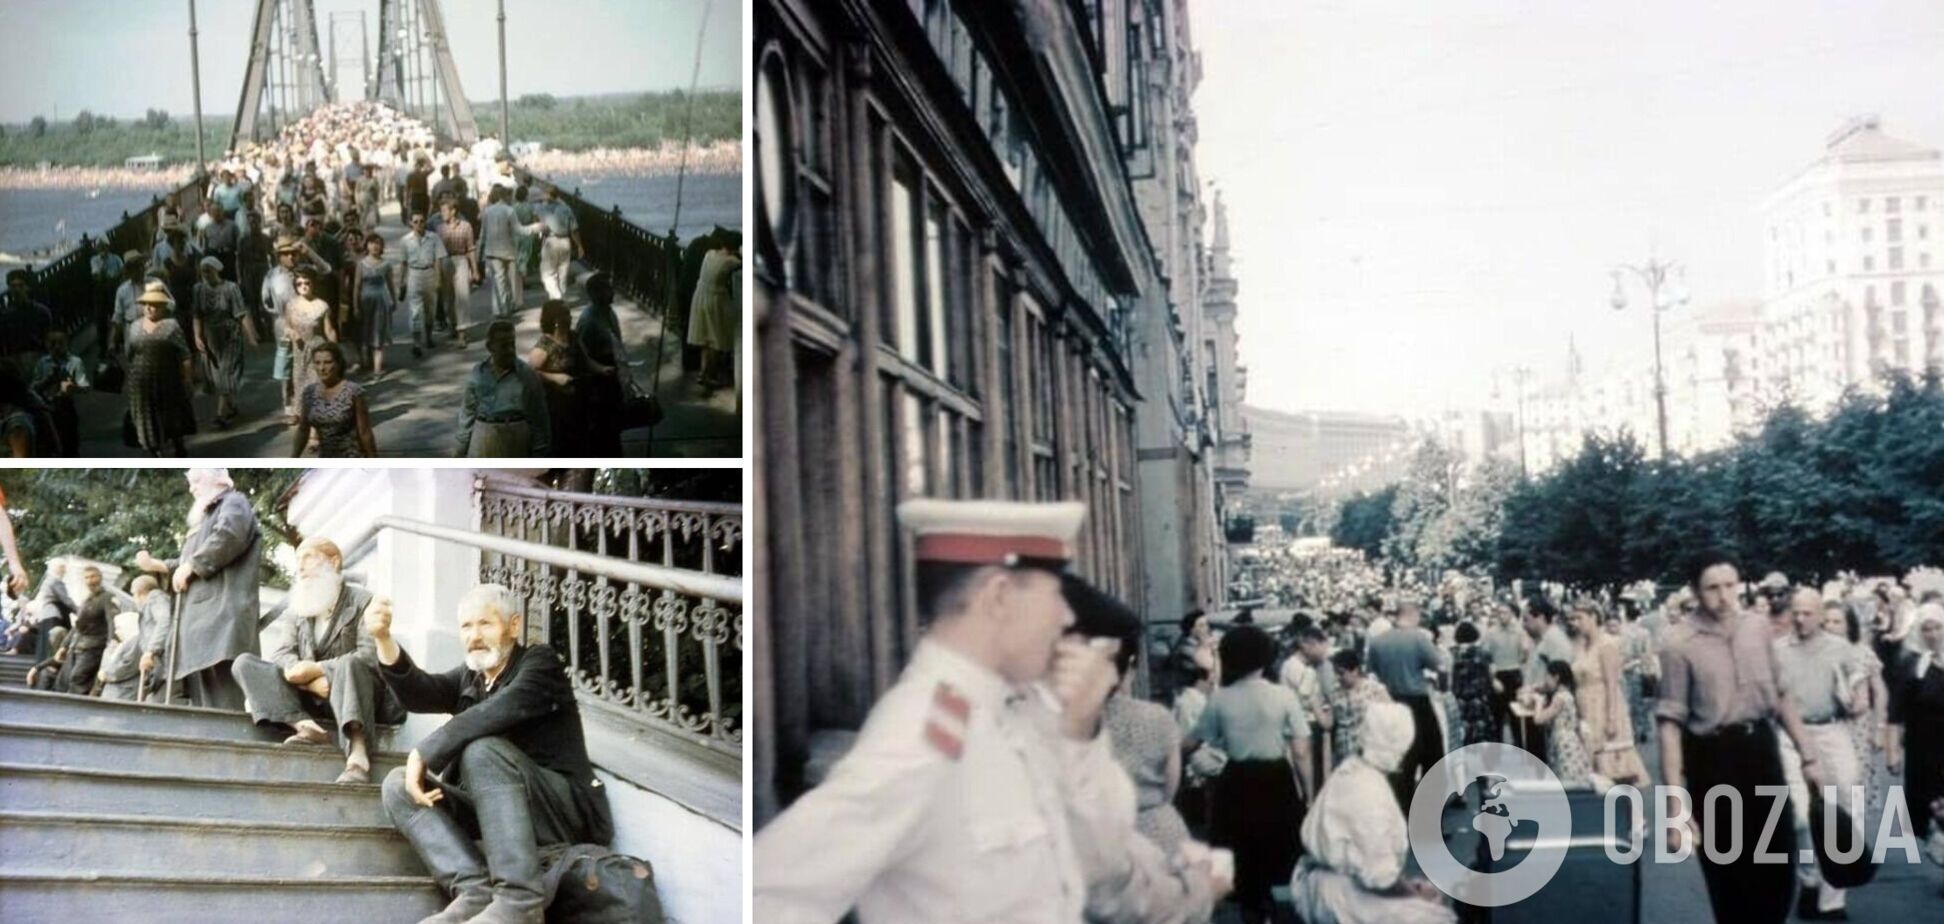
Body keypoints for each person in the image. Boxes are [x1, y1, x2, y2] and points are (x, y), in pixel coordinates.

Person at [755, 499, 1225, 923]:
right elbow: (771, 894)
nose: (1064, 618)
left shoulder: (1012, 711)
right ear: (998, 597)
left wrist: (1079, 735)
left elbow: (1097, 865)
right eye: (1052, 595)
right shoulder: (925, 733)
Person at [371, 584, 613, 923]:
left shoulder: (540, 664)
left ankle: (519, 901)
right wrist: (384, 639)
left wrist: (424, 752)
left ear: (513, 626)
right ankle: (475, 890)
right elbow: (421, 693)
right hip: (497, 811)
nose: (474, 636)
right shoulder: (472, 677)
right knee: (397, 784)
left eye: (485, 624)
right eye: (466, 627)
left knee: (483, 750)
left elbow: (500, 710)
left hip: (559, 811)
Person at [1656, 553, 1828, 924]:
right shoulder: (1678, 642)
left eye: (1730, 585)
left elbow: (1782, 695)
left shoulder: (1757, 627)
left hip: (1761, 753)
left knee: (1779, 869)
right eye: (1712, 588)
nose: (1723, 596)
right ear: (1695, 591)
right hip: (1713, 760)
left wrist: (1808, 755)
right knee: (1731, 878)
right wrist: (1676, 808)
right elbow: (1669, 725)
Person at [232, 538, 401, 783]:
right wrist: (309, 681)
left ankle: (358, 754)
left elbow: (369, 657)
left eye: (308, 557)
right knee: (244, 664)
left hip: (357, 694)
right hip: (311, 697)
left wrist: (319, 669)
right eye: (298, 560)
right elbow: (281, 654)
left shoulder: (363, 601)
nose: (300, 567)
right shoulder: (297, 609)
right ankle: (305, 725)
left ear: (333, 562)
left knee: (349, 664)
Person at [1288, 701, 1456, 924]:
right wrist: (1414, 892)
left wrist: (1407, 885)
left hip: (1325, 882)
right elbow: (1381, 878)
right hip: (1341, 893)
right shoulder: (1370, 793)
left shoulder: (1352, 770)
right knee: (1439, 916)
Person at [1189, 624, 1310, 924]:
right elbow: (1301, 751)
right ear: (1265, 657)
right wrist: (1308, 791)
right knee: (1276, 843)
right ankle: (1277, 906)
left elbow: (1193, 740)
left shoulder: (1220, 698)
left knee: (1242, 848)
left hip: (1237, 781)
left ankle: (1252, 908)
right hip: (1275, 779)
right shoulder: (1282, 696)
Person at [1078, 575, 1193, 857]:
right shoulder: (1156, 718)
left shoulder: (1050, 724)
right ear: (1130, 664)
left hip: (1088, 843)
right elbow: (1170, 788)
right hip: (1154, 836)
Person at [1773, 587, 1868, 919]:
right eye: (1795, 612)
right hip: (1789, 734)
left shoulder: (1838, 648)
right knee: (1800, 814)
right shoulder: (1778, 650)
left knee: (1844, 806)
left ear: (1819, 614)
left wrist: (1859, 697)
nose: (1800, 619)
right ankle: (1809, 878)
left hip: (1831, 729)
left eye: (1807, 613)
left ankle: (1833, 898)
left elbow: (1858, 682)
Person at [133, 469, 262, 710]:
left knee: (222, 699)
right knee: (205, 699)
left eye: (196, 481)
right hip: (202, 623)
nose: (192, 489)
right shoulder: (206, 518)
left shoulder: (234, 502)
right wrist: (156, 565)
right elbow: (185, 564)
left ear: (219, 479)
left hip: (220, 617)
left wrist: (193, 565)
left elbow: (229, 535)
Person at [1364, 602, 1445, 810]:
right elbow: (1439, 665)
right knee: (1432, 757)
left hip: (1390, 702)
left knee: (1402, 759)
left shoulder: (1378, 641)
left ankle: (1402, 811)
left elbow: (1371, 670)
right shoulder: (1419, 638)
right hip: (1417, 702)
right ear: (1413, 615)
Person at [1565, 600, 1648, 784]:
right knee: (1592, 764)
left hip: (1604, 705)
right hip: (1586, 708)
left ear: (1594, 617)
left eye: (1580, 618)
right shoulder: (1580, 645)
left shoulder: (1606, 645)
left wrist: (1611, 718)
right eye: (1573, 619)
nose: (1576, 623)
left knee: (1613, 764)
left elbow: (1612, 683)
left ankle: (1630, 811)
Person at [1887, 606, 1944, 862]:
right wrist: (1892, 750)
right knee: (1926, 805)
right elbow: (1896, 712)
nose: (1932, 634)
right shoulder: (1913, 666)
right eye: (1926, 629)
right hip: (1924, 748)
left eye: (1937, 627)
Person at [456, 320, 552, 457]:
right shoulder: (478, 374)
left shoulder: (527, 376)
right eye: (503, 346)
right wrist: (460, 450)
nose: (510, 351)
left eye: (512, 344)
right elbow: (467, 413)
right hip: (483, 437)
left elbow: (539, 418)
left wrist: (540, 454)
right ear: (490, 347)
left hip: (515, 438)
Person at [123, 281, 195, 457]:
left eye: (154, 305)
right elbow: (129, 354)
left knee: (171, 415)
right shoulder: (134, 327)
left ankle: (178, 447)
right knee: (145, 417)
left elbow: (185, 355)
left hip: (167, 379)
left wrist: (187, 380)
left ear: (163, 306)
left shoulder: (171, 326)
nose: (149, 308)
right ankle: (153, 451)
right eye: (146, 304)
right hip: (140, 382)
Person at [192, 255, 260, 429]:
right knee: (217, 376)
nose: (206, 274)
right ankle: (230, 406)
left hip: (229, 336)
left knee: (225, 372)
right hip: (210, 338)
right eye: (203, 271)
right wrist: (197, 336)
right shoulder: (198, 289)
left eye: (209, 270)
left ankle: (221, 413)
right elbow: (197, 314)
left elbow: (241, 313)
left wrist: (251, 337)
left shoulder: (231, 288)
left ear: (217, 270)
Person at [293, 341, 376, 457]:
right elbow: (303, 429)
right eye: (317, 363)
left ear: (338, 364)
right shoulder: (309, 393)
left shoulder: (353, 392)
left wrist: (374, 459)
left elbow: (365, 431)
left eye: (327, 362)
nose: (322, 368)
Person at [1519, 598, 1572, 756]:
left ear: (1541, 618)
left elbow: (1559, 679)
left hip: (1546, 709)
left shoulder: (1554, 640)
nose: (1524, 625)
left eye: (1527, 620)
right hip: (1537, 706)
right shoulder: (1540, 640)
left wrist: (1533, 689)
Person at [686, 237, 741, 391]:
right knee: (718, 339)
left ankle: (703, 373)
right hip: (716, 300)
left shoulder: (709, 254)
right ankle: (709, 374)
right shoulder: (730, 261)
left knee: (706, 338)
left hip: (700, 296)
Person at [282, 270, 337, 424]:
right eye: (299, 283)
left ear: (313, 284)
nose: (303, 286)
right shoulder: (291, 305)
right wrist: (292, 333)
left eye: (307, 283)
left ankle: (315, 423)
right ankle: (299, 413)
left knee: (316, 383)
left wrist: (334, 349)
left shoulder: (321, 305)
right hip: (299, 350)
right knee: (299, 382)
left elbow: (329, 330)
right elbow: (286, 326)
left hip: (317, 349)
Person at [1328, 648, 1392, 771]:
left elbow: (1391, 717)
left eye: (1341, 673)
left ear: (1355, 670)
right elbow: (1329, 723)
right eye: (1335, 673)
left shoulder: (1375, 689)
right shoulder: (1335, 693)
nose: (1338, 677)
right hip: (1343, 754)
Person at [57, 565, 115, 695]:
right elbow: (77, 626)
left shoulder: (107, 597)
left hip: (94, 647)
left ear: (100, 577)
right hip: (77, 646)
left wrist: (111, 644)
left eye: (93, 576)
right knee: (65, 681)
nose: (90, 581)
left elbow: (112, 621)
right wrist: (64, 646)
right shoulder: (86, 600)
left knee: (78, 680)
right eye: (87, 578)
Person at [30, 329, 87, 456]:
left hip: (65, 407)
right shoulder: (42, 363)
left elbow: (85, 387)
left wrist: (72, 386)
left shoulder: (75, 362)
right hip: (47, 408)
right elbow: (33, 388)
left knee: (70, 445)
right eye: (52, 343)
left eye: (60, 343)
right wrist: (47, 380)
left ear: (67, 343)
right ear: (46, 344)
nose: (56, 347)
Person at [398, 212, 447, 356]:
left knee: (430, 310)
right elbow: (403, 263)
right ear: (411, 223)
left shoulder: (434, 238)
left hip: (429, 273)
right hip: (414, 274)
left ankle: (429, 337)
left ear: (425, 222)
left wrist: (439, 279)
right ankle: (416, 343)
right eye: (415, 221)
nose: (419, 224)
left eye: (421, 221)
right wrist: (402, 282)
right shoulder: (405, 241)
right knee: (415, 312)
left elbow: (438, 259)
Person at [434, 197, 479, 347]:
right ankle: (453, 324)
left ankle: (462, 333)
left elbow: (471, 249)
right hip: (445, 261)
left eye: (444, 210)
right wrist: (437, 273)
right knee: (448, 299)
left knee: (462, 296)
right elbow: (437, 253)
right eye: (441, 211)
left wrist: (475, 270)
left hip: (461, 260)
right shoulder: (440, 229)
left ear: (453, 211)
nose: (442, 214)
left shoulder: (466, 226)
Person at [354, 235, 399, 378]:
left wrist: (394, 300)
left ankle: (377, 369)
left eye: (378, 244)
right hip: (365, 302)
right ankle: (365, 363)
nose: (375, 246)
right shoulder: (361, 264)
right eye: (372, 243)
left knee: (378, 332)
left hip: (380, 302)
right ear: (367, 245)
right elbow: (357, 286)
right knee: (364, 331)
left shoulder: (386, 264)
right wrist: (355, 306)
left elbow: (390, 284)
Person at [1483, 601, 1527, 743]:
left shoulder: (1519, 632)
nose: (1502, 616)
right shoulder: (1491, 633)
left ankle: (1520, 751)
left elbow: (1524, 657)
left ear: (1512, 614)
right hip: (1498, 675)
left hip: (1514, 674)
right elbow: (1486, 658)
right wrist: (1493, 679)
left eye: (1505, 612)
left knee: (1517, 717)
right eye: (1499, 613)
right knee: (1497, 718)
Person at [1, 269, 54, 382]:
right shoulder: (5, 316)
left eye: (20, 286)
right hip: (15, 362)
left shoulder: (41, 312)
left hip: (37, 358)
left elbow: (49, 340)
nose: (16, 290)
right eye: (13, 286)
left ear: (27, 288)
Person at [1451, 621, 1495, 747]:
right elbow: (1491, 674)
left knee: (1462, 733)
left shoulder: (1452, 654)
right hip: (1479, 698)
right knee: (1483, 733)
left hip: (1459, 700)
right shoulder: (1483, 654)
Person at [534, 185, 581, 301]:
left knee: (548, 274)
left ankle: (557, 297)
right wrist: (579, 246)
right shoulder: (566, 209)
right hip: (565, 241)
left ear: (547, 195)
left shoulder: (541, 209)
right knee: (562, 274)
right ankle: (561, 302)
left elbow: (535, 218)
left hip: (551, 241)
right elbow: (574, 229)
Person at [98, 611, 146, 702]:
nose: (116, 631)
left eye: (119, 628)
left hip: (124, 691)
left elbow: (128, 665)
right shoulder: (125, 642)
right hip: (115, 691)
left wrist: (107, 674)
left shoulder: (136, 642)